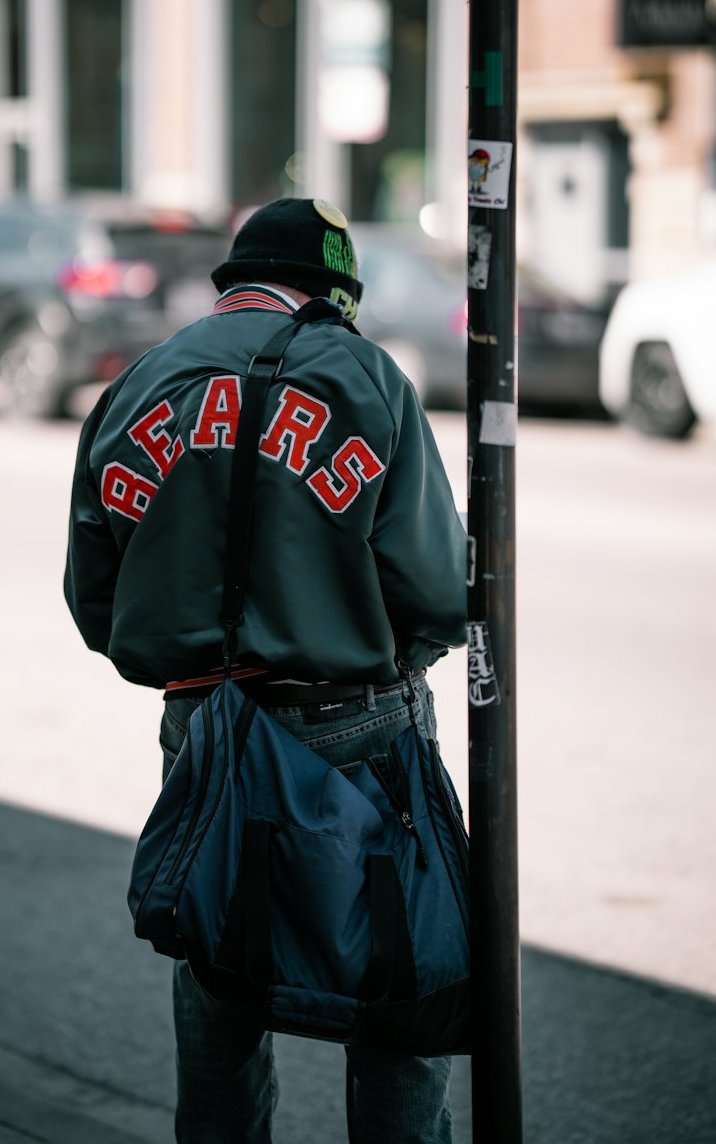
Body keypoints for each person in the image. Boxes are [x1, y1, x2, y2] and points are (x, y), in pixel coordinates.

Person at [64, 197, 467, 1144]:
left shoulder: (140, 381)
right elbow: (442, 593)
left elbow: (95, 599)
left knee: (222, 973)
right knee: (400, 985)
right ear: (334, 296)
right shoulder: (367, 374)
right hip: (356, 726)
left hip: (203, 723)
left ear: (236, 283)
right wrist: (387, 663)